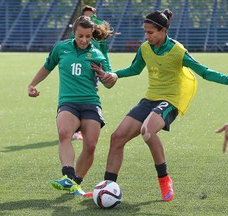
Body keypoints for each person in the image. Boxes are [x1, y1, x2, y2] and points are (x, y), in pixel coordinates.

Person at [91, 8, 228, 202]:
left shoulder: (177, 51)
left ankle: (164, 179)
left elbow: (205, 72)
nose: (147, 36)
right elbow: (134, 69)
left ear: (163, 30)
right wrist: (114, 74)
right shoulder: (145, 48)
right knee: (117, 138)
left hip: (171, 100)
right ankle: (107, 187)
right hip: (150, 99)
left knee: (147, 131)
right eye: (145, 32)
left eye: (151, 32)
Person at [28, 16, 117, 196]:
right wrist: (32, 84)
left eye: (88, 36)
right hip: (68, 102)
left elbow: (109, 83)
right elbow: (47, 66)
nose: (84, 40)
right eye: (80, 36)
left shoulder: (98, 53)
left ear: (92, 35)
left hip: (91, 102)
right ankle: (68, 175)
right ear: (73, 33)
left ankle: (75, 182)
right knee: (64, 133)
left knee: (90, 146)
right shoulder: (61, 48)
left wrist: (106, 76)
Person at [71, 5, 114, 141]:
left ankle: (84, 126)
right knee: (73, 95)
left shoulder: (97, 31)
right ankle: (77, 127)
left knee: (88, 93)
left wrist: (108, 70)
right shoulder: (81, 28)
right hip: (78, 66)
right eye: (86, 15)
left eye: (90, 15)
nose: (88, 17)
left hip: (92, 67)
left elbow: (104, 52)